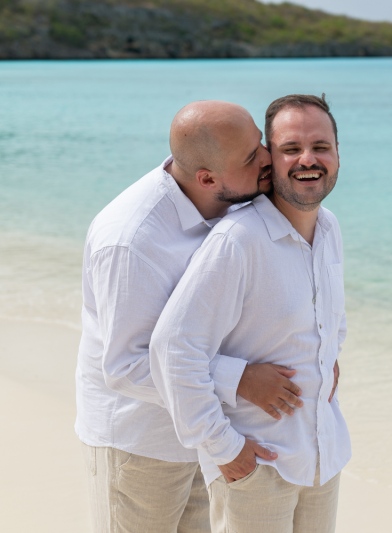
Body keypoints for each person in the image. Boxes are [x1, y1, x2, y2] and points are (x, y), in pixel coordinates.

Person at [75, 100, 305, 532]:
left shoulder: (234, 199)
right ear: (207, 178)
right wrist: (240, 380)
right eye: (251, 157)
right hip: (140, 444)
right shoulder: (130, 241)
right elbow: (125, 367)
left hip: (209, 434)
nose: (267, 158)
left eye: (260, 143)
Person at [150, 94, 350, 533]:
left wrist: (329, 356)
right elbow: (173, 348)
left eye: (320, 146)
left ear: (338, 154)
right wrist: (223, 448)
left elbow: (332, 319)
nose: (308, 159)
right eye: (291, 148)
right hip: (259, 464)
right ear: (269, 160)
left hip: (323, 454)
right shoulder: (237, 240)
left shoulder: (329, 227)